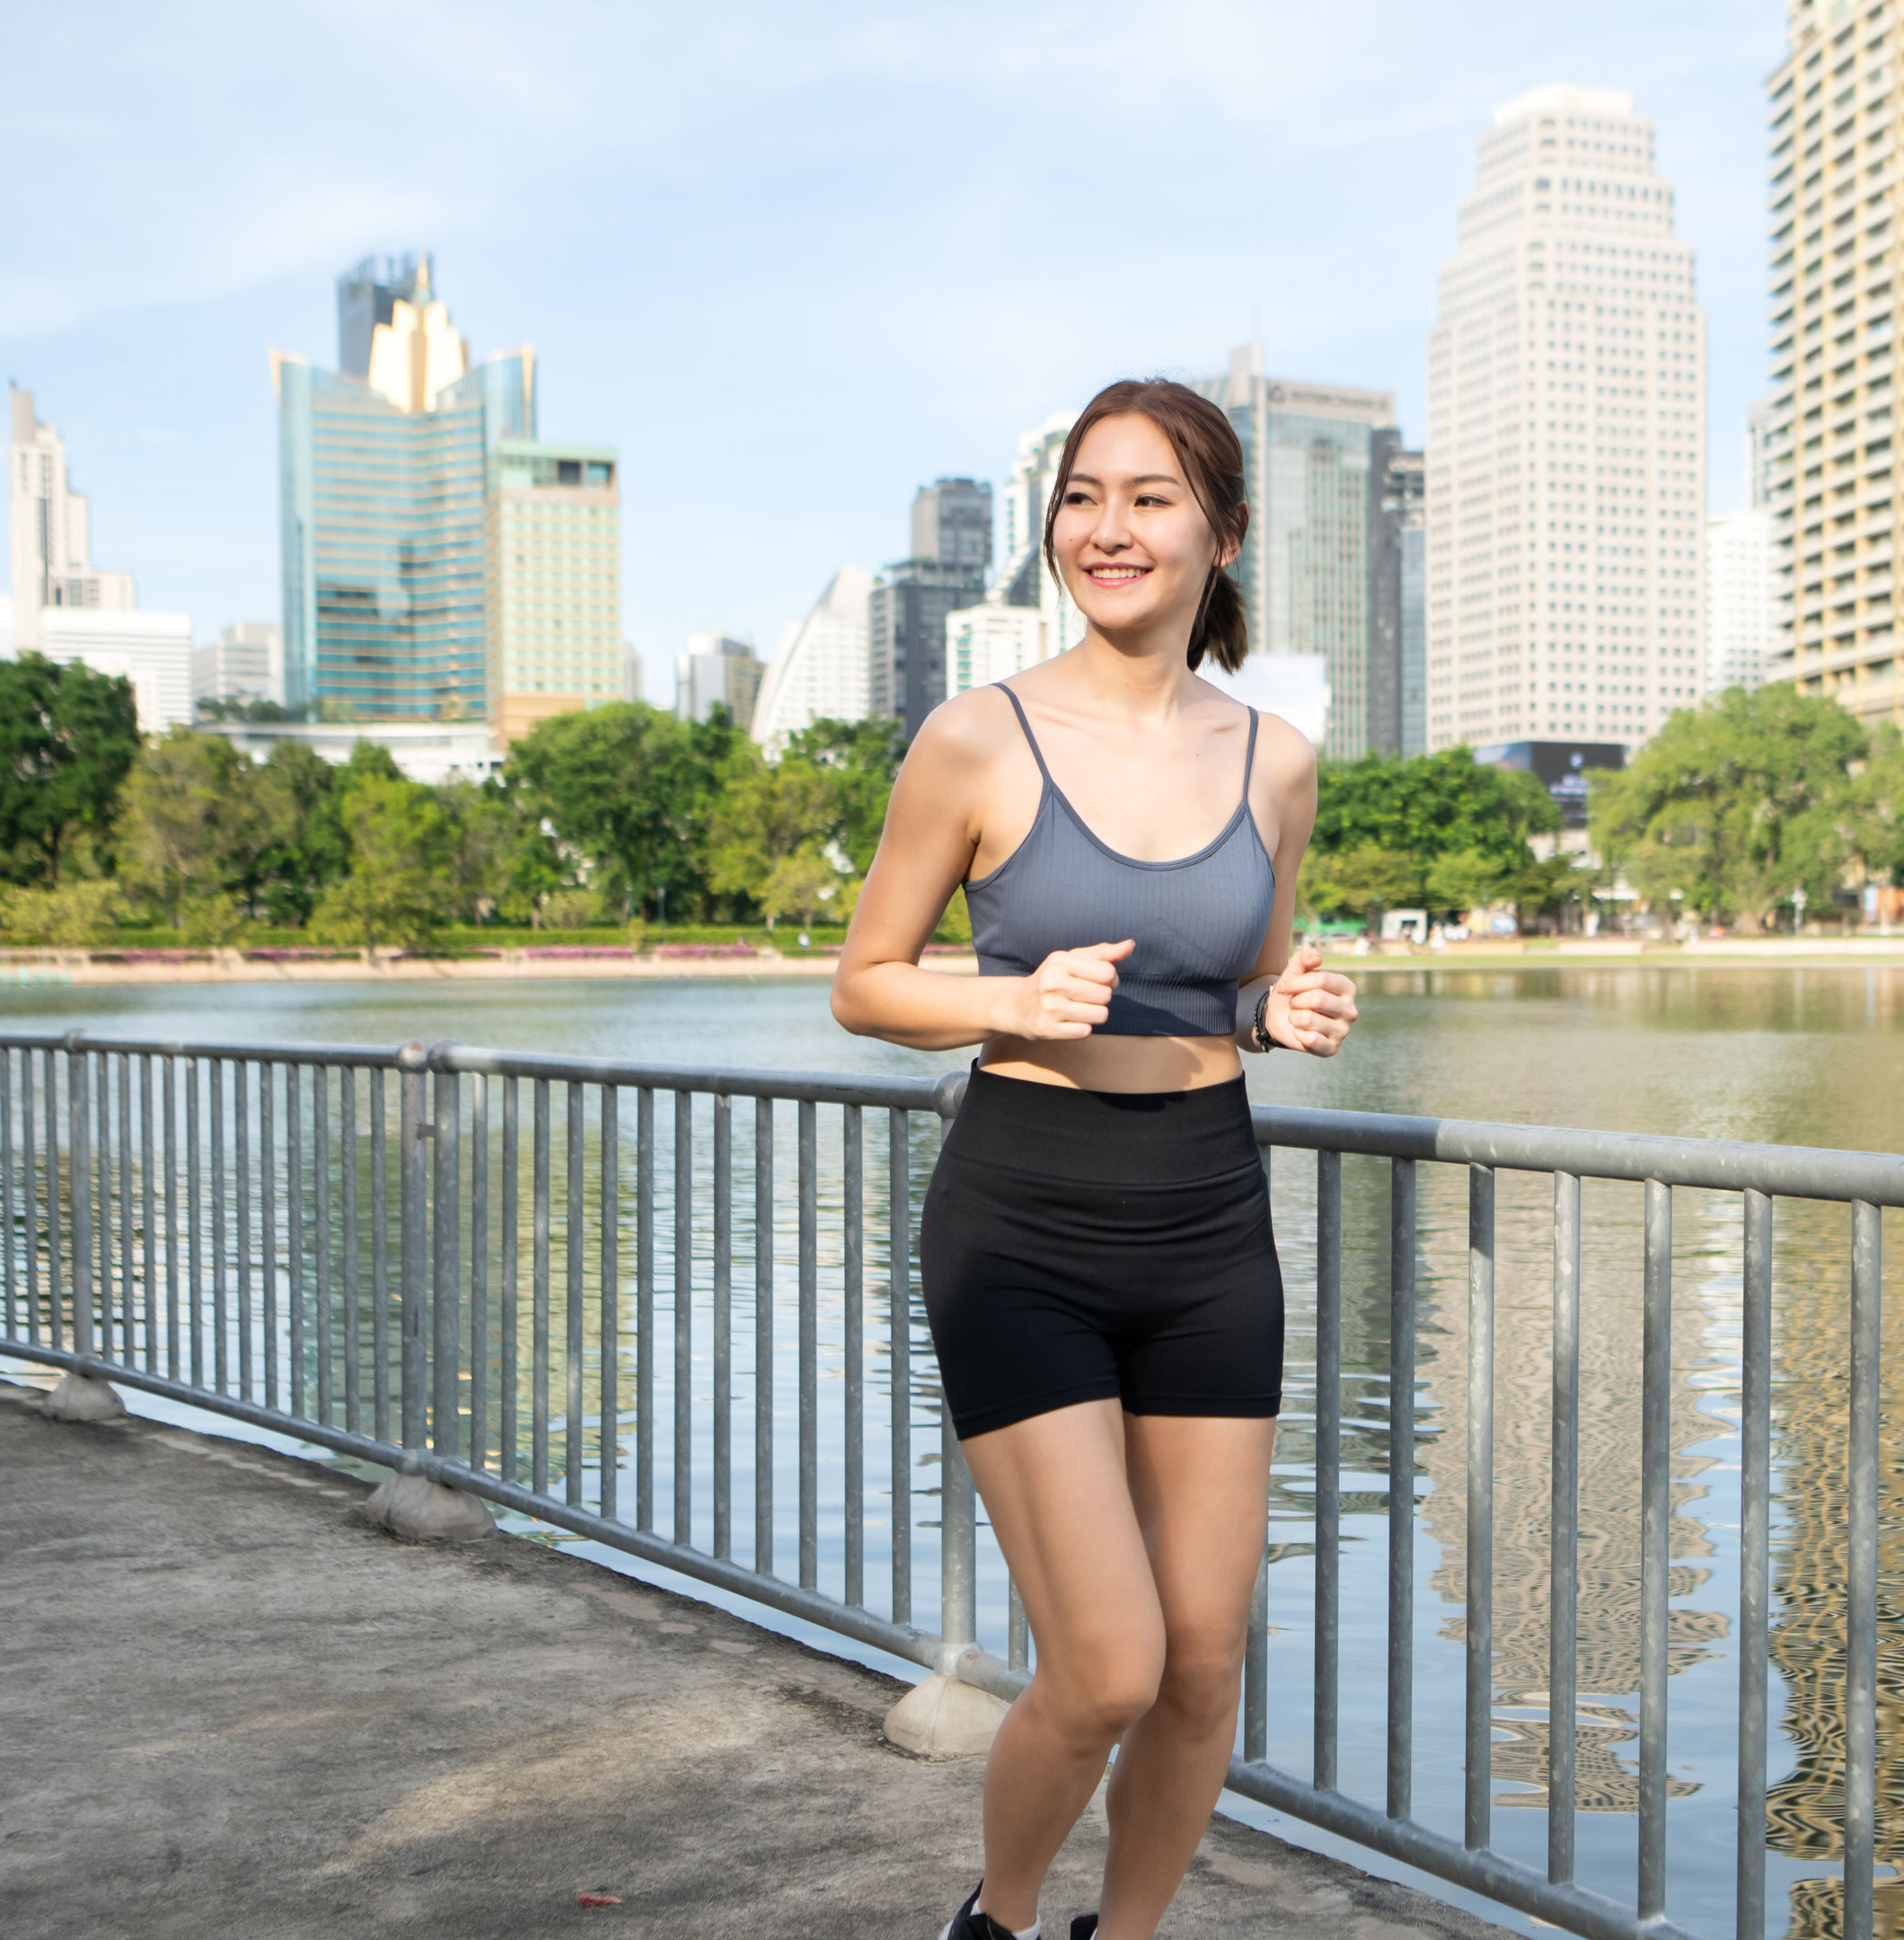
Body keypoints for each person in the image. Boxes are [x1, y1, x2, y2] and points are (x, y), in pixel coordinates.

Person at [830, 376, 1361, 1940]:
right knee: (1108, 1663)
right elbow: (865, 981)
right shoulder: (976, 738)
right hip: (1024, 1218)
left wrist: (1286, 1007)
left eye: (1148, 498)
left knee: (1203, 1662)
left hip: (1208, 1215)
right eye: (1081, 496)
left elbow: (1240, 983)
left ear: (1224, 533)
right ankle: (992, 1925)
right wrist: (1008, 998)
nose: (1106, 529)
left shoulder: (1277, 760)